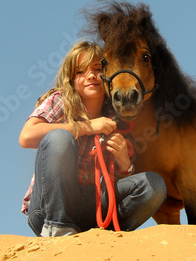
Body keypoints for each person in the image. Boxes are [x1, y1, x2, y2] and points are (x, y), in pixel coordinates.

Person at [19, 41, 166, 237]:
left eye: (97, 69)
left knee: (153, 185)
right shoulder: (61, 100)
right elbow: (27, 136)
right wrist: (86, 127)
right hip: (46, 209)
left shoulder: (115, 116)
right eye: (80, 72)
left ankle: (106, 238)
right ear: (71, 80)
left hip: (91, 207)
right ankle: (58, 229)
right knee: (59, 137)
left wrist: (124, 163)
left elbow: (114, 181)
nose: (90, 76)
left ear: (107, 74)